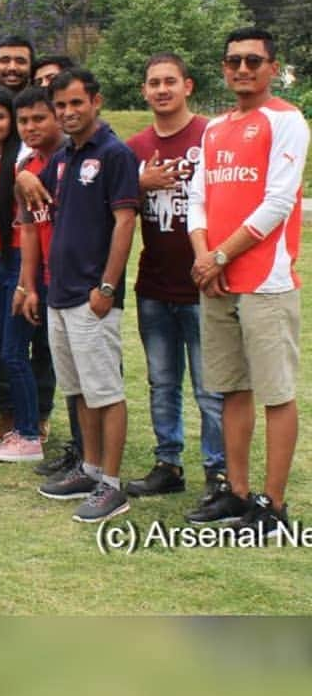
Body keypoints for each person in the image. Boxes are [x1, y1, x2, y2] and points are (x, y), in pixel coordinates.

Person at [187, 28, 309, 537]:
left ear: (271, 67)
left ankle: (272, 504)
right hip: (217, 280)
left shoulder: (286, 120)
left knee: (276, 393)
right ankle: (235, 492)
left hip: (267, 280)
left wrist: (217, 255)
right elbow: (198, 199)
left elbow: (279, 203)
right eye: (234, 60)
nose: (242, 69)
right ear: (223, 67)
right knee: (231, 389)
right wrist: (204, 259)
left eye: (253, 61)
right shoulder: (214, 129)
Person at [28, 68, 139, 523]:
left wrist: (107, 288)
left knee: (105, 392)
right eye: (61, 107)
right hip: (61, 293)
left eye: (77, 103)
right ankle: (90, 469)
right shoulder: (63, 158)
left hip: (94, 295)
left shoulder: (114, 154)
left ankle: (112, 485)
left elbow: (125, 222)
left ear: (96, 101)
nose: (69, 113)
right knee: (78, 391)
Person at [124, 54, 225, 504]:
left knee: (210, 387)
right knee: (162, 382)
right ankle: (168, 463)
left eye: (170, 82)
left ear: (188, 86)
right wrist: (140, 183)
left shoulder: (211, 135)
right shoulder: (134, 148)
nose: (161, 90)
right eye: (153, 83)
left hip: (203, 283)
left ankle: (217, 470)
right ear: (144, 91)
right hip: (154, 284)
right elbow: (116, 204)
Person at [0, 87, 43, 463]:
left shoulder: (25, 163)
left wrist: (24, 279)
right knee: (6, 350)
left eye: (0, 117)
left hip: (21, 259)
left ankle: (31, 433)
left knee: (16, 351)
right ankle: (20, 426)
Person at [12, 87, 77, 477]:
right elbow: (31, 230)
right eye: (24, 121)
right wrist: (28, 285)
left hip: (85, 284)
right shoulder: (28, 165)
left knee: (91, 377)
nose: (31, 127)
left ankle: (96, 458)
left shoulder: (83, 155)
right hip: (48, 279)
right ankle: (79, 449)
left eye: (39, 118)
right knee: (67, 372)